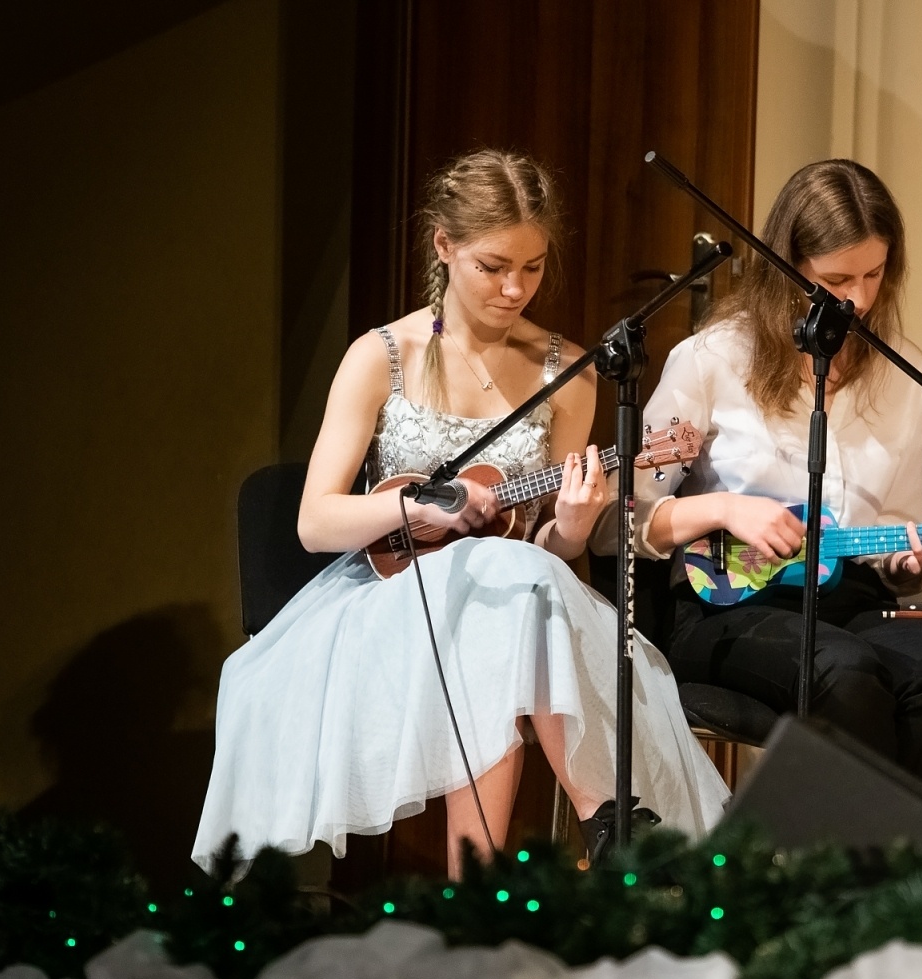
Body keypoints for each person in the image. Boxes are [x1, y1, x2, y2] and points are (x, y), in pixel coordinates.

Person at [193, 149, 728, 880]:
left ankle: (488, 887)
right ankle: (603, 815)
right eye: (493, 266)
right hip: (388, 604)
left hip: (510, 604)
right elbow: (315, 523)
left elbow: (547, 549)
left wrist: (574, 525)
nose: (515, 289)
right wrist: (421, 503)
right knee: (501, 596)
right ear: (444, 246)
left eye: (533, 267)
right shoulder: (380, 356)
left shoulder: (567, 372)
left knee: (502, 592)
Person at [613, 159, 922, 793]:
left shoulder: (903, 372)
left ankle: (884, 853)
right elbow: (619, 520)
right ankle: (857, 856)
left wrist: (908, 563)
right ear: (786, 267)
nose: (859, 299)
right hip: (725, 604)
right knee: (845, 675)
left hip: (852, 601)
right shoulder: (711, 359)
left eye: (874, 274)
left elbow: (893, 540)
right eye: (836, 279)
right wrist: (723, 510)